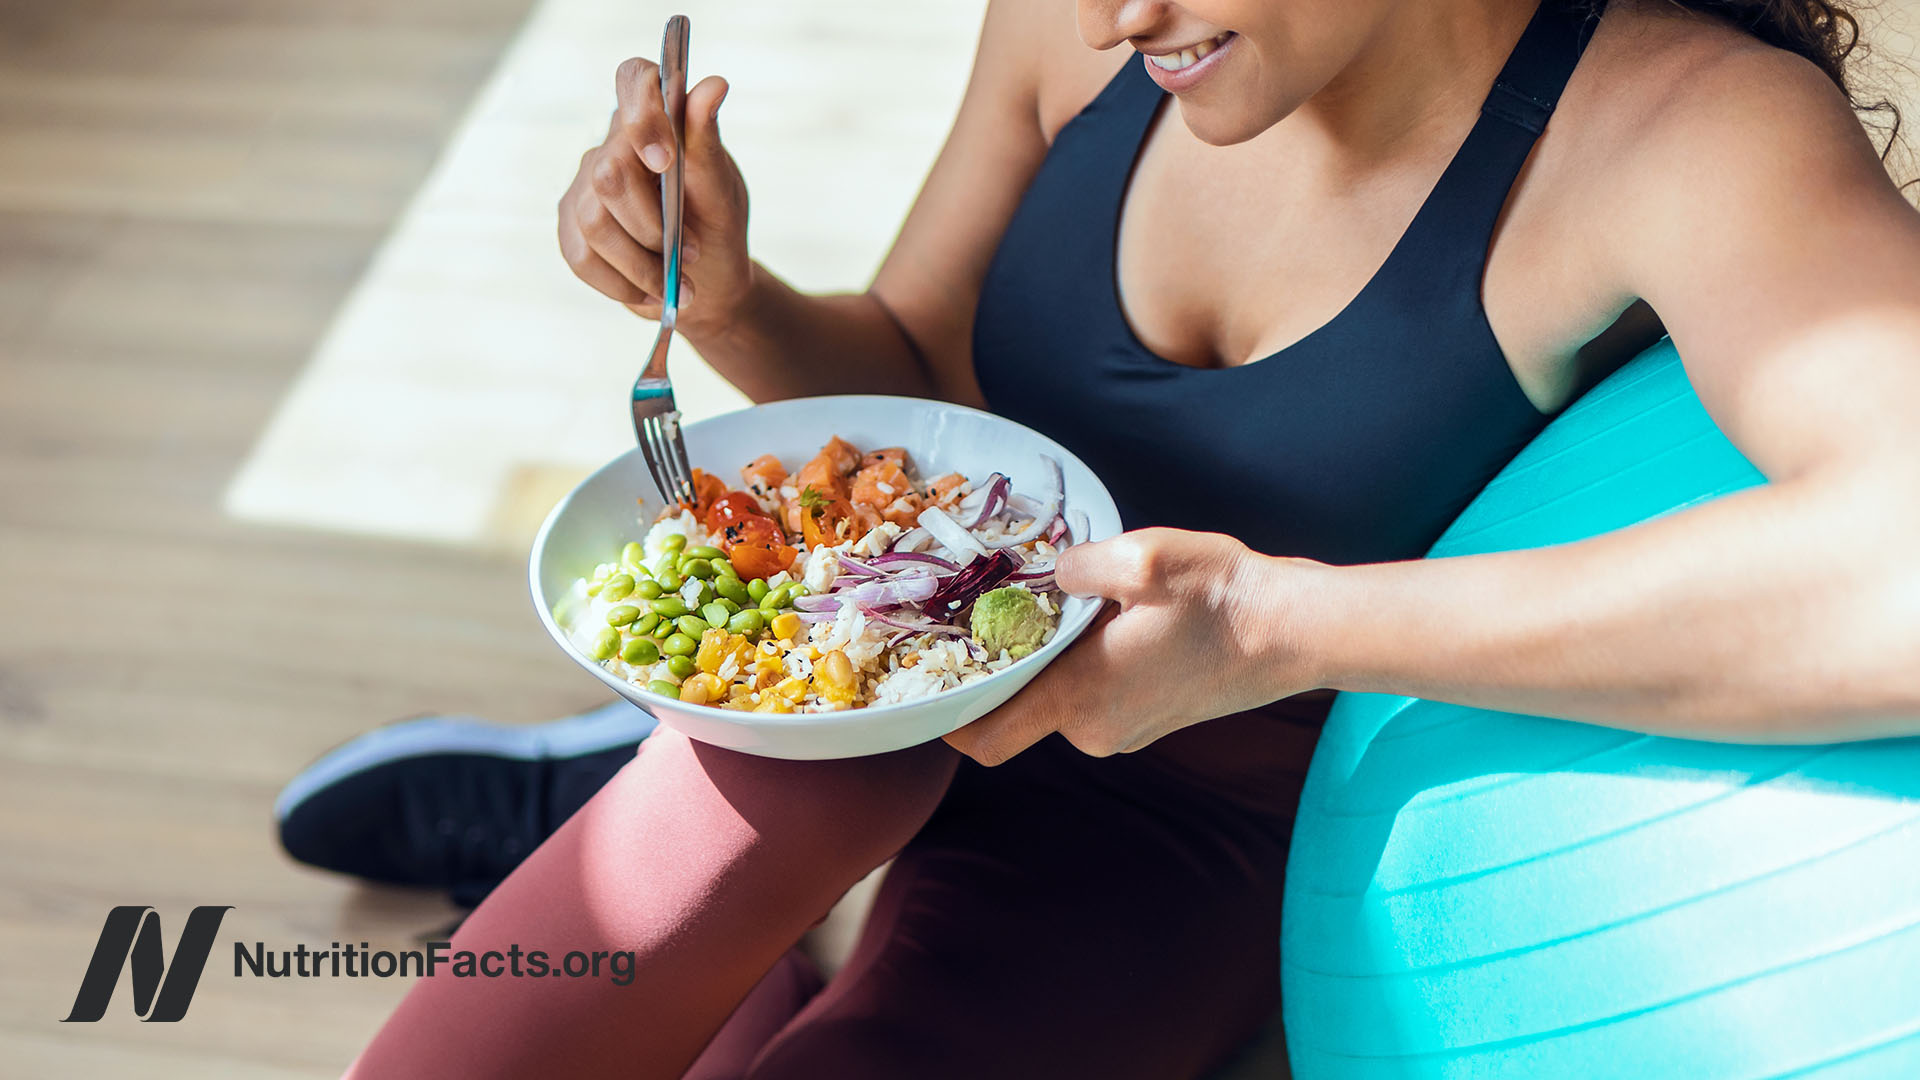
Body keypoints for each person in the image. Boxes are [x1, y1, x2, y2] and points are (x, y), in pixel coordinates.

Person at [292, 0, 1920, 1075]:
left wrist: (1276, 631)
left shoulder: (1687, 135)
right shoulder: (1099, 34)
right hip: (888, 701)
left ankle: (652, 834)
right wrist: (733, 302)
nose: (1104, 16)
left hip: (1193, 831)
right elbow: (931, 384)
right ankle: (644, 794)